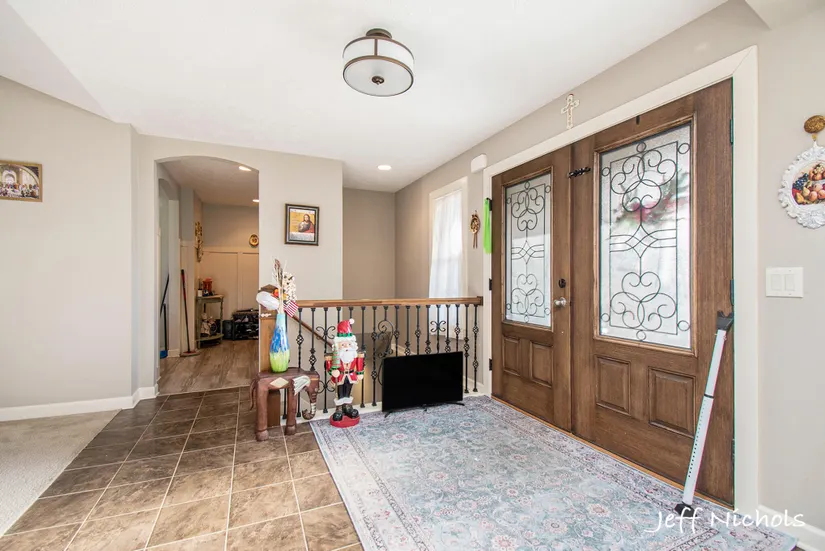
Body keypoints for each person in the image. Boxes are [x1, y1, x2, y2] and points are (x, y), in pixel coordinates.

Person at [324, 319, 364, 426]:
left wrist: (360, 373)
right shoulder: (337, 355)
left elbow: (359, 363)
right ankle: (339, 408)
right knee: (339, 391)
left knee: (348, 390)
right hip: (340, 376)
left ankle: (347, 406)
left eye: (348, 344)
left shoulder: (354, 355)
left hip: (351, 375)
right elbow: (329, 365)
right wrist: (333, 371)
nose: (346, 346)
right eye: (343, 344)